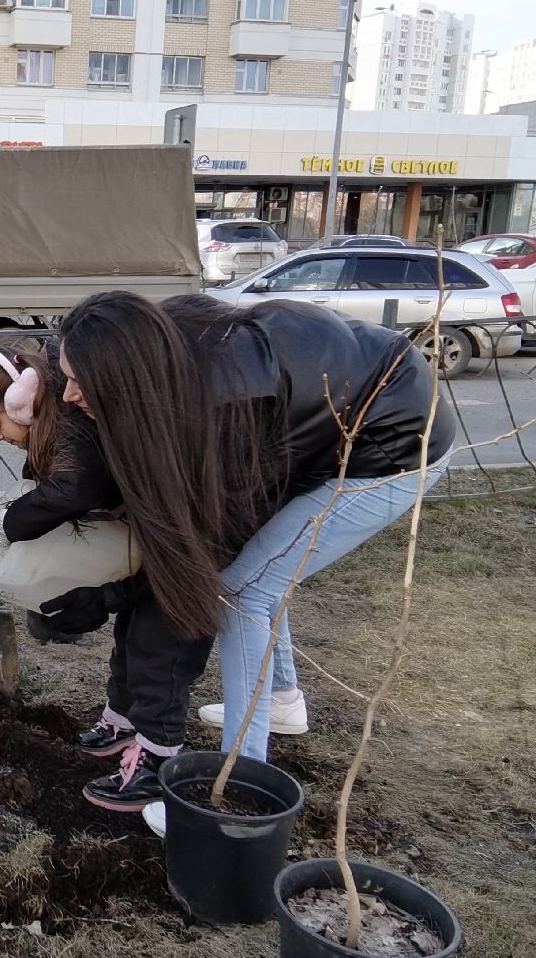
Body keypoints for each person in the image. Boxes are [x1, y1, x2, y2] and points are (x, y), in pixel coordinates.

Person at [48, 291, 456, 789]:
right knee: (266, 569)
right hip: (329, 417)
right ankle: (282, 702)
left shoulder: (227, 408)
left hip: (395, 440)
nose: (68, 394)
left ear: (126, 375)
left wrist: (106, 597)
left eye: (78, 381)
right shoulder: (162, 347)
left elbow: (213, 544)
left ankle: (241, 775)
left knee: (243, 591)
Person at [0, 344, 215, 813]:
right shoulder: (56, 424)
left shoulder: (71, 429)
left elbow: (75, 489)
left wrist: (12, 525)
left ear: (22, 398)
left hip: (186, 534)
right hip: (146, 529)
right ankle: (121, 721)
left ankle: (158, 760)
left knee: (161, 647)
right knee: (130, 634)